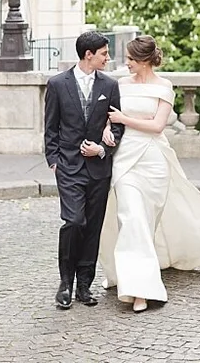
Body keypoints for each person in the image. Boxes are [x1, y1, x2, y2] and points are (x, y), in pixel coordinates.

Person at [97, 36, 200, 312]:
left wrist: (124, 120)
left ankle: (133, 274)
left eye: (130, 59)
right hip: (124, 160)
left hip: (153, 161)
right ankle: (140, 290)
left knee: (146, 222)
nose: (125, 63)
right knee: (131, 220)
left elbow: (157, 126)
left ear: (143, 60)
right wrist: (108, 127)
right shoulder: (120, 85)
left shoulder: (164, 87)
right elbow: (108, 117)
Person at [44, 31, 124, 309]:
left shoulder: (110, 85)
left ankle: (84, 286)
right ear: (88, 55)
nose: (108, 58)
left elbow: (117, 125)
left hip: (99, 168)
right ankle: (65, 283)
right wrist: (54, 160)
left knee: (93, 227)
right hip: (68, 166)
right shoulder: (57, 84)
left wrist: (103, 149)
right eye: (104, 53)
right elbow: (50, 127)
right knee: (74, 222)